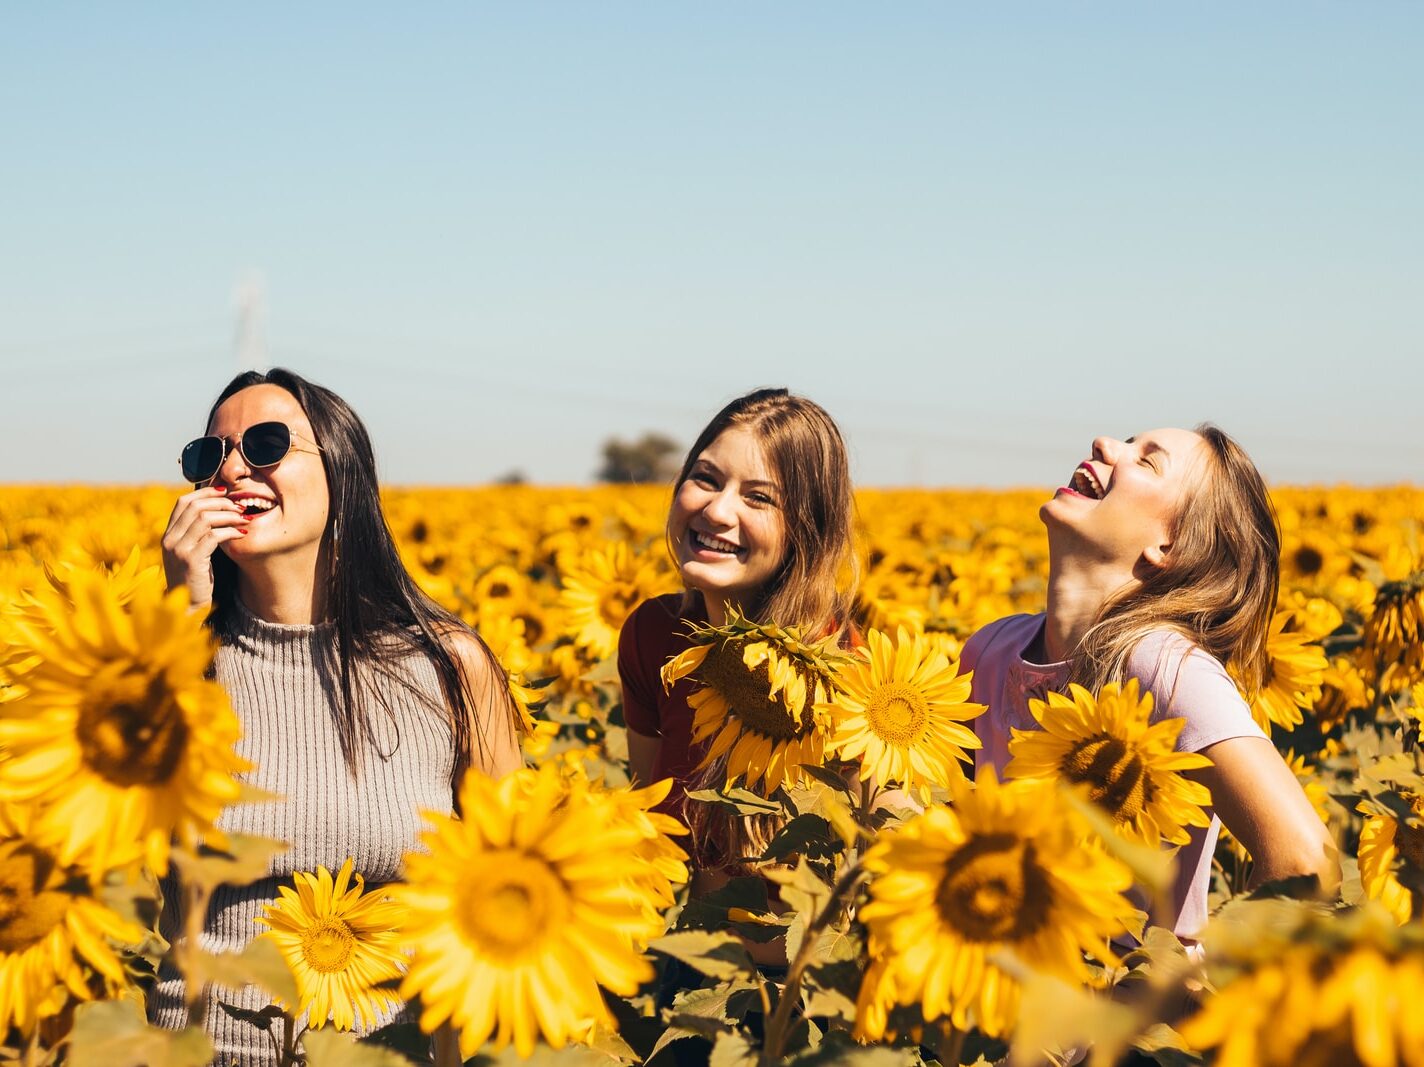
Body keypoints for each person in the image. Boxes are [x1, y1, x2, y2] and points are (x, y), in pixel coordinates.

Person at [154, 368, 521, 1064]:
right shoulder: (167, 661)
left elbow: (514, 884)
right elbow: (122, 868)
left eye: (265, 444)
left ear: (343, 470)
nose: (232, 468)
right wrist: (180, 622)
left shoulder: (448, 666)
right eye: (210, 455)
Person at [959, 425, 1337, 941]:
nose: (1104, 444)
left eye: (1146, 461)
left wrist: (1193, 995)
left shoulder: (1163, 667)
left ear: (1169, 546)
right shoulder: (990, 650)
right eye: (1126, 442)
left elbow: (1304, 858)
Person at [618, 388, 857, 942]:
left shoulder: (846, 671)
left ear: (807, 529)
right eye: (705, 478)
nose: (717, 510)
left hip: (807, 999)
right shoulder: (654, 636)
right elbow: (648, 820)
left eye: (759, 498)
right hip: (691, 969)